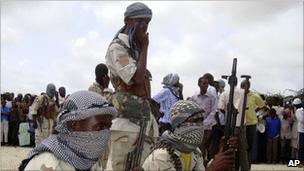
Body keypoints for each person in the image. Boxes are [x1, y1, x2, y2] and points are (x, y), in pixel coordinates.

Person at [105, 2, 158, 170]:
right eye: (140, 22)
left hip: (142, 124)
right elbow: (136, 78)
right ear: (127, 21)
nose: (144, 27)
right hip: (126, 127)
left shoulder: (134, 51)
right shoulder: (117, 48)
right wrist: (145, 46)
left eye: (147, 23)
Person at [19, 90, 117, 171]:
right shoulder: (49, 163)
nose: (105, 134)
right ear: (74, 125)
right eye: (99, 127)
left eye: (108, 127)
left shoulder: (91, 160)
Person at [142, 100, 237, 171]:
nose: (199, 126)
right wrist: (212, 169)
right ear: (179, 125)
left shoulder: (194, 151)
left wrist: (222, 151)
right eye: (195, 121)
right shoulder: (162, 156)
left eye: (201, 121)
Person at [218, 78, 249, 171]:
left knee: (229, 148)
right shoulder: (243, 92)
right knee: (243, 150)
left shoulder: (224, 93)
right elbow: (245, 107)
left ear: (228, 83)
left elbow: (221, 108)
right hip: (241, 125)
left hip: (230, 125)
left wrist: (228, 115)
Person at [190, 75, 217, 164]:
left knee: (203, 144)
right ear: (199, 84)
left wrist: (205, 122)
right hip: (197, 125)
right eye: (204, 83)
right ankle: (200, 163)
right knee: (199, 145)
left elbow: (213, 111)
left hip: (207, 126)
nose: (206, 86)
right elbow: (191, 110)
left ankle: (203, 163)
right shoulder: (194, 97)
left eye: (207, 84)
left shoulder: (211, 97)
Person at [240, 79, 265, 169]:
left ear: (248, 87)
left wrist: (255, 112)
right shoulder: (238, 94)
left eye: (243, 87)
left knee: (249, 146)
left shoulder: (254, 96)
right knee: (240, 146)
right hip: (240, 124)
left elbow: (263, 106)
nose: (241, 88)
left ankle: (247, 166)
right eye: (241, 87)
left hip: (251, 123)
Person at [293, 98, 304, 167]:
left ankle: (299, 163)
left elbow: (301, 120)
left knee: (300, 147)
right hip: (302, 130)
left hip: (301, 131)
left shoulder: (298, 111)